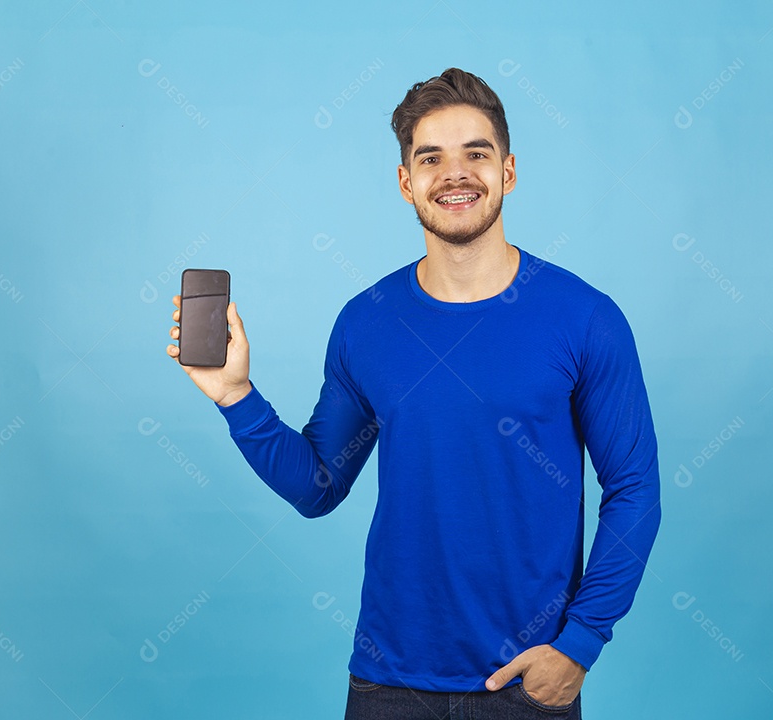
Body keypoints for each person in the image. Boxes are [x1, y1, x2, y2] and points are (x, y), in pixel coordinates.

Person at [166, 67, 661, 720]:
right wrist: (236, 396)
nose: (454, 175)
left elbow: (634, 488)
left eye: (475, 154)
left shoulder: (584, 318)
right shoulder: (366, 322)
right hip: (386, 685)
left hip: (526, 685)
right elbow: (319, 486)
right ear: (406, 182)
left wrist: (581, 642)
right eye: (431, 159)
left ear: (508, 171)